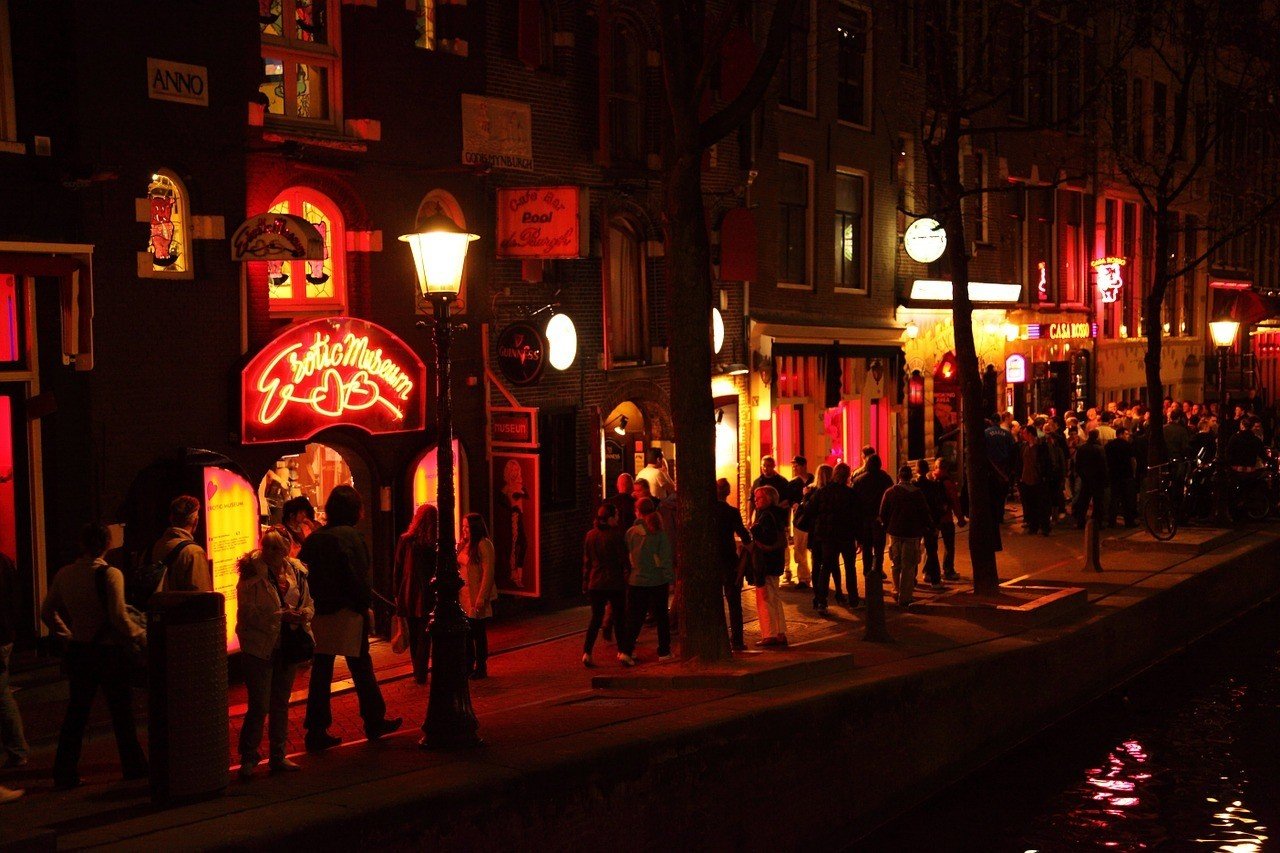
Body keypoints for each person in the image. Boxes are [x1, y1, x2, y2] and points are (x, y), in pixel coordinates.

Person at [42, 523, 148, 789]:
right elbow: (119, 618)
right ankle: (133, 766)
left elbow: (47, 611)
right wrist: (141, 635)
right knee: (121, 712)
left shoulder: (64, 574)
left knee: (76, 714)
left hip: (80, 650)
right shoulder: (111, 575)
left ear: (81, 544)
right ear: (107, 544)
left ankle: (64, 772)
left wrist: (66, 634)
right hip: (109, 652)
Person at [301, 486, 401, 752]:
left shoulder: (315, 539)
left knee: (321, 670)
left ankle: (316, 728)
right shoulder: (351, 538)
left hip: (320, 613)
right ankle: (374, 719)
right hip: (347, 612)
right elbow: (358, 578)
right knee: (361, 666)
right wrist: (363, 606)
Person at [235, 529, 314, 778]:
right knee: (259, 704)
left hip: (286, 645)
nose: (270, 552)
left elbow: (309, 604)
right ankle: (248, 757)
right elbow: (247, 612)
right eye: (267, 547)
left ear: (286, 550)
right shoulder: (252, 573)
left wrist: (303, 615)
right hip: (259, 647)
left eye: (276, 548)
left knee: (280, 702)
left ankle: (278, 755)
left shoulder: (297, 572)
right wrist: (280, 616)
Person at [619, 499, 674, 665]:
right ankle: (664, 651)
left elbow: (626, 556)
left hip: (636, 581)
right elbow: (665, 558)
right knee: (662, 617)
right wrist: (669, 578)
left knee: (635, 618)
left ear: (637, 511)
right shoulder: (659, 532)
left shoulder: (631, 533)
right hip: (657, 581)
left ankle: (626, 651)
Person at [392, 503, 437, 684]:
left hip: (408, 593)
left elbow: (398, 568)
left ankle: (417, 669)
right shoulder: (433, 544)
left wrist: (396, 592)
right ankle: (421, 670)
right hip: (426, 594)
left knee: (412, 632)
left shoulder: (406, 540)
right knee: (425, 634)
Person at [879, 465, 934, 607]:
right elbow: (925, 513)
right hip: (912, 533)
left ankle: (896, 589)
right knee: (908, 566)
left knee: (895, 563)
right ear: (911, 477)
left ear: (899, 476)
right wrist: (928, 527)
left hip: (895, 532)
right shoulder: (917, 494)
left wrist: (888, 525)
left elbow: (883, 513)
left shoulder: (890, 492)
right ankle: (905, 596)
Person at [582, 504, 629, 665]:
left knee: (595, 618)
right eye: (615, 515)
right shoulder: (615, 536)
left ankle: (587, 652)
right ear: (609, 518)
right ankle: (623, 652)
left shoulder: (590, 535)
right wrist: (628, 574)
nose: (617, 518)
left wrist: (586, 581)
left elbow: (587, 561)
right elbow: (623, 559)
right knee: (618, 618)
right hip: (614, 582)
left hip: (595, 582)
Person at [810, 463, 858, 611]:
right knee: (850, 567)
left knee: (826, 566)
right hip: (846, 535)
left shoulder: (822, 492)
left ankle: (821, 600)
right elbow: (856, 517)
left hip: (827, 536)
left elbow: (811, 512)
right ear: (848, 476)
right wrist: (859, 538)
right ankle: (853, 599)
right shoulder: (851, 494)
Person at [712, 479, 752, 650]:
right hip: (728, 559)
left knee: (713, 601)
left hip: (711, 560)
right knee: (734, 602)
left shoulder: (707, 511)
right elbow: (743, 534)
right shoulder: (732, 512)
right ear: (728, 492)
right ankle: (737, 640)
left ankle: (714, 637)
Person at [457, 513, 498, 679]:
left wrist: (482, 596)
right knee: (467, 633)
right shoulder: (466, 545)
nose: (464, 530)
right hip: (464, 597)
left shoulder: (484, 545)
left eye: (467, 526)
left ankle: (481, 666)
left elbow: (488, 573)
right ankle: (468, 665)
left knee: (478, 633)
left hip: (476, 596)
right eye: (463, 526)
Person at [749, 487, 788, 647]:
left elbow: (767, 539)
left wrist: (754, 530)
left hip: (765, 562)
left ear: (769, 499)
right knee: (775, 597)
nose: (756, 501)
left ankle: (769, 634)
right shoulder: (777, 514)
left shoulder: (765, 517)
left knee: (764, 598)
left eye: (759, 498)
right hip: (775, 561)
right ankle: (780, 632)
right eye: (755, 498)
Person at [0, 552, 27, 769]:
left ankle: (17, 749)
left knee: (1, 694)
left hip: (1, 635)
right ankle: (17, 749)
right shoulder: (6, 562)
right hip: (4, 635)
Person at [152, 494, 212, 592]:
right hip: (181, 607)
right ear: (196, 521)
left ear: (171, 518)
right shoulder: (193, 552)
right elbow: (202, 595)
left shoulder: (156, 545)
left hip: (156, 607)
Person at [750, 456, 793, 581]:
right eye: (763, 465)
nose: (765, 468)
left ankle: (786, 568)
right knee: (763, 542)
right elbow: (751, 500)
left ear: (773, 466)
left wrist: (775, 507)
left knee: (779, 543)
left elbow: (788, 500)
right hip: (761, 518)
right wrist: (750, 517)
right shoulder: (757, 481)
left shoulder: (782, 482)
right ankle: (765, 568)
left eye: (768, 465)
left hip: (777, 519)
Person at [850, 455, 893, 580]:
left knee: (867, 547)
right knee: (879, 548)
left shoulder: (858, 480)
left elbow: (854, 502)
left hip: (864, 519)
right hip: (879, 518)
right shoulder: (885, 478)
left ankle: (867, 571)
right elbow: (890, 498)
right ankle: (877, 570)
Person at [917, 459, 958, 588]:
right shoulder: (943, 483)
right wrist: (960, 517)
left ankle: (924, 573)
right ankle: (946, 572)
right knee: (944, 546)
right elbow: (953, 500)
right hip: (941, 519)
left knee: (923, 549)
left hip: (924, 520)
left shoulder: (926, 481)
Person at [1073, 429, 1110, 529]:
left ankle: (1080, 521)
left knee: (1083, 500)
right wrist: (1105, 478)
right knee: (1098, 502)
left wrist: (1081, 474)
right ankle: (1097, 522)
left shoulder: (1082, 448)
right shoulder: (1099, 449)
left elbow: (1077, 464)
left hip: (1086, 478)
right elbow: (1103, 465)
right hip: (1097, 478)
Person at [788, 456, 814, 590]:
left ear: (804, 465)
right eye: (793, 466)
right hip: (799, 521)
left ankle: (815, 575)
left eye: (796, 465)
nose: (794, 468)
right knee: (799, 550)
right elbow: (789, 500)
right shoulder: (793, 483)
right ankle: (803, 578)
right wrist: (794, 504)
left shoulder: (814, 480)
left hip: (813, 521)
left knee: (813, 550)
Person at [1106, 426, 1138, 528]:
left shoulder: (1109, 445)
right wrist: (1133, 473)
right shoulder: (1127, 445)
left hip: (1113, 475)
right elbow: (1132, 460)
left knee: (1114, 499)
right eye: (1126, 434)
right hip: (1126, 475)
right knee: (1127, 499)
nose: (1128, 436)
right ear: (1120, 434)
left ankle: (1112, 521)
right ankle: (1129, 521)